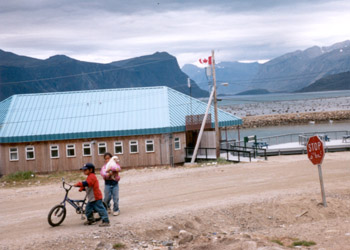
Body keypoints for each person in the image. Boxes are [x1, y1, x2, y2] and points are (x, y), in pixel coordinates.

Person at [75, 163, 110, 227]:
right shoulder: (89, 176)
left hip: (96, 197)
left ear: (91, 170)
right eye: (83, 170)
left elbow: (88, 183)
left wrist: (79, 184)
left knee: (100, 209)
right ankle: (91, 220)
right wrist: (82, 188)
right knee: (88, 209)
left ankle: (106, 221)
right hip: (92, 198)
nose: (84, 171)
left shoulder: (92, 176)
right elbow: (88, 185)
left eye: (85, 170)